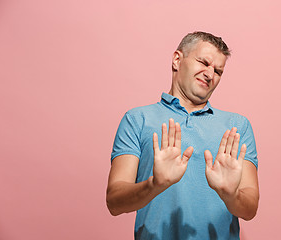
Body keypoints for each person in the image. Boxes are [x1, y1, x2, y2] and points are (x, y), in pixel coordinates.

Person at [106, 31, 259, 240]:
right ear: (177, 60)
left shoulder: (237, 126)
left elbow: (250, 209)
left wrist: (230, 195)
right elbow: (114, 202)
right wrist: (155, 184)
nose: (210, 73)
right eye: (203, 62)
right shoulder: (136, 119)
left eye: (218, 71)